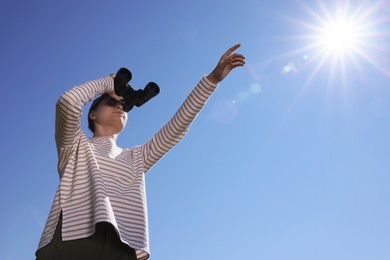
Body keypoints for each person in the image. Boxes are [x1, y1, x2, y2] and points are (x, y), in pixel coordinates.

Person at [35, 44, 246, 260]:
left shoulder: (136, 157)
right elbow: (68, 103)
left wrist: (212, 80)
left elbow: (177, 127)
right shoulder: (74, 145)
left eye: (125, 107)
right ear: (92, 115)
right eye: (111, 103)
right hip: (71, 239)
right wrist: (109, 83)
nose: (120, 108)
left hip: (121, 248)